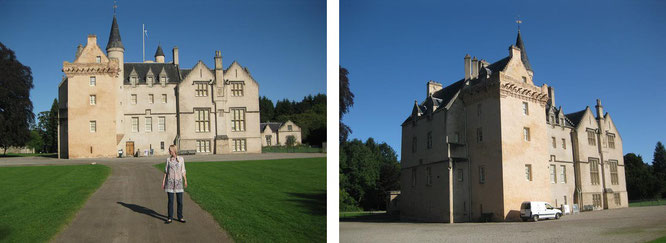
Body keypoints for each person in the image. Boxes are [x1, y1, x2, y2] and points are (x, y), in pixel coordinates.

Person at [162, 145, 188, 224]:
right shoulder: (168, 160)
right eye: (169, 150)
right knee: (170, 201)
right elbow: (166, 171)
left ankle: (180, 217)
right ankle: (170, 217)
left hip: (178, 182)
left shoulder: (181, 159)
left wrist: (185, 180)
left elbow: (183, 170)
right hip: (170, 182)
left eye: (170, 150)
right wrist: (163, 181)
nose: (169, 151)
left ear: (174, 150)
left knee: (180, 201)